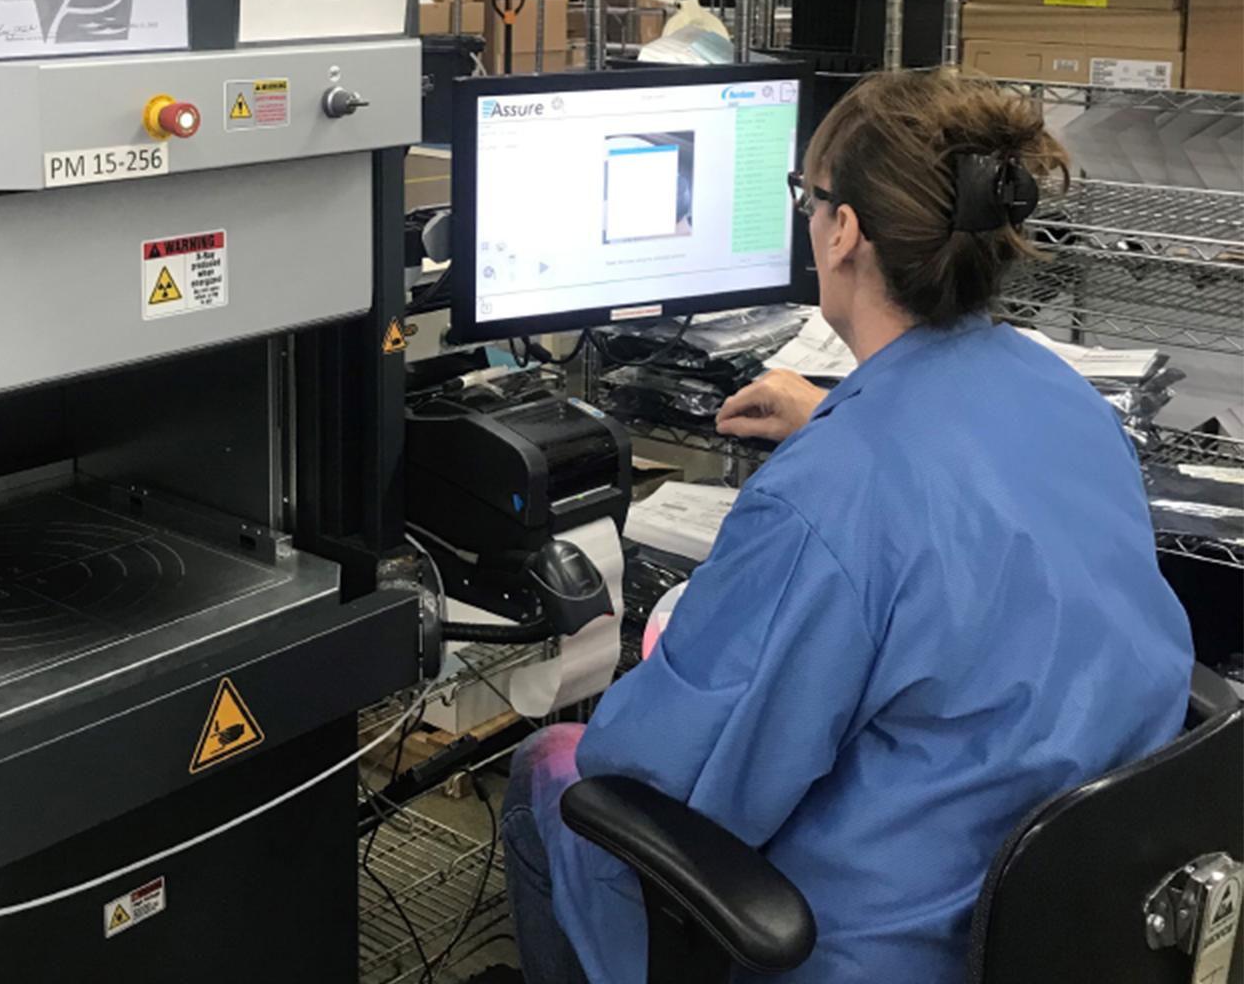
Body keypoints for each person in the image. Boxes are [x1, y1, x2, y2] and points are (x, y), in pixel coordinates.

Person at [500, 70, 1195, 984]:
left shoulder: (826, 500)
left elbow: (663, 776)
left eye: (810, 198)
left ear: (844, 231)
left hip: (877, 942)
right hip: (1059, 909)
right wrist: (841, 412)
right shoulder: (1064, 397)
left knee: (550, 774)